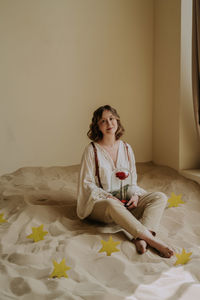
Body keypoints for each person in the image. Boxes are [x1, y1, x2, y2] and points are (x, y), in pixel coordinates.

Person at [77, 105, 173, 258]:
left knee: (159, 197)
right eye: (103, 121)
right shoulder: (91, 150)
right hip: (102, 206)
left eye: (111, 119)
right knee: (111, 204)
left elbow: (132, 182)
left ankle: (140, 238)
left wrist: (135, 196)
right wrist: (107, 196)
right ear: (97, 126)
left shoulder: (127, 148)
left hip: (124, 204)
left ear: (117, 121)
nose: (109, 124)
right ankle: (152, 241)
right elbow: (87, 184)